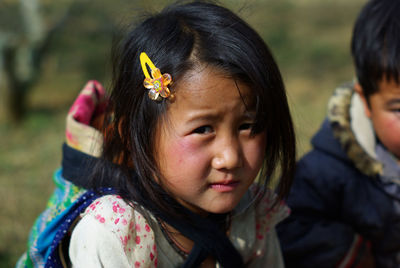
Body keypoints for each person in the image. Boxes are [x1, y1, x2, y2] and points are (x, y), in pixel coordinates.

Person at [17, 1, 297, 267]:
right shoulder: (114, 231)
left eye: (247, 126)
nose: (230, 158)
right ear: (134, 136)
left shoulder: (251, 213)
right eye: (203, 129)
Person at [277, 0, 400, 267]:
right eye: (398, 109)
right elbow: (289, 228)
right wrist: (349, 253)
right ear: (366, 100)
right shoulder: (325, 172)